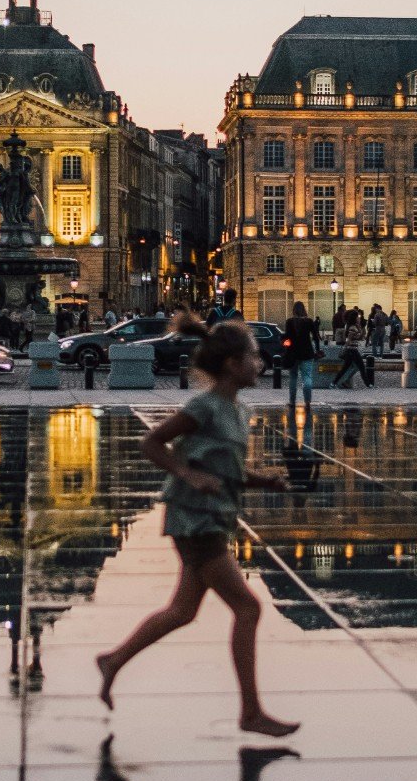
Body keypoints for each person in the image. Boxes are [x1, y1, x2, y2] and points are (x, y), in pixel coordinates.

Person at [94, 316, 299, 738]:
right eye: (253, 357)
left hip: (214, 515)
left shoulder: (238, 409)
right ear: (230, 364)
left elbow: (226, 468)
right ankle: (251, 712)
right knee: (248, 608)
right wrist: (187, 475)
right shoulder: (203, 406)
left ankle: (113, 660)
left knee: (183, 611)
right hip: (194, 519)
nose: (259, 364)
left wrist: (263, 480)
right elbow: (150, 444)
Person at [282, 301, 321, 408]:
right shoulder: (309, 321)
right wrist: (317, 350)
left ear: (294, 310)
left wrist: (284, 342)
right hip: (307, 353)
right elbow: (316, 337)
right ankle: (307, 402)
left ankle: (292, 401)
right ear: (304, 310)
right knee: (307, 377)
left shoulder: (289, 321)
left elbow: (287, 338)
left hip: (293, 354)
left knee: (293, 378)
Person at [331, 309, 372, 389]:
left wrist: (361, 328)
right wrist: (346, 347)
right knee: (361, 367)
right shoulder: (352, 327)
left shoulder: (354, 326)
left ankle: (333, 383)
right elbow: (349, 339)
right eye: (358, 317)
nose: (359, 318)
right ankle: (368, 384)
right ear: (354, 318)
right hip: (352, 350)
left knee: (345, 369)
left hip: (352, 350)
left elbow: (359, 337)